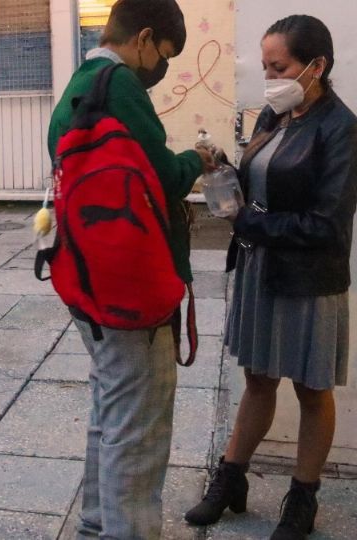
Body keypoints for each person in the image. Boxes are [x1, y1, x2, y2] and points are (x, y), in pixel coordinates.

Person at [46, 1, 214, 537]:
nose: (160, 69)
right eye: (164, 55)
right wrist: (197, 160)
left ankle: (97, 523)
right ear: (144, 38)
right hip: (130, 288)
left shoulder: (81, 79)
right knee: (138, 430)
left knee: (111, 412)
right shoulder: (120, 84)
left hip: (88, 277)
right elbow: (162, 175)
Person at [185, 15, 356, 540]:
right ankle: (231, 479)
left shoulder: (341, 128)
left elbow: (326, 223)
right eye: (264, 66)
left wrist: (248, 221)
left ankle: (302, 498)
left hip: (308, 277)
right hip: (261, 265)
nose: (269, 77)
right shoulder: (273, 116)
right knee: (258, 378)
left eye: (278, 66)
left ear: (317, 66)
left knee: (310, 388)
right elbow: (262, 184)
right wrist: (224, 173)